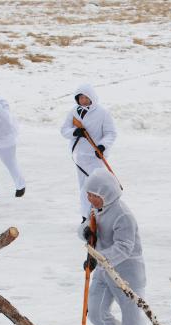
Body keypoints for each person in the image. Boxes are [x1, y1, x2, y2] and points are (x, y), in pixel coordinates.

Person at [78, 168, 150, 325]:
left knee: (131, 316)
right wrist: (85, 232)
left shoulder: (123, 215)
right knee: (96, 311)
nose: (90, 198)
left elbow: (124, 247)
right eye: (88, 194)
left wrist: (99, 258)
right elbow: (87, 227)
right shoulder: (98, 210)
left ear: (106, 194)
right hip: (104, 268)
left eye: (94, 195)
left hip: (127, 271)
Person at [60, 84, 117, 222]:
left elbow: (111, 133)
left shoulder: (103, 113)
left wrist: (102, 146)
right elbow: (64, 130)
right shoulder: (74, 112)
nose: (83, 100)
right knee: (83, 189)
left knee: (94, 188)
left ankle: (97, 216)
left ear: (92, 97)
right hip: (80, 157)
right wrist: (75, 132)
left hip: (95, 158)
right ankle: (86, 216)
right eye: (80, 98)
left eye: (86, 97)